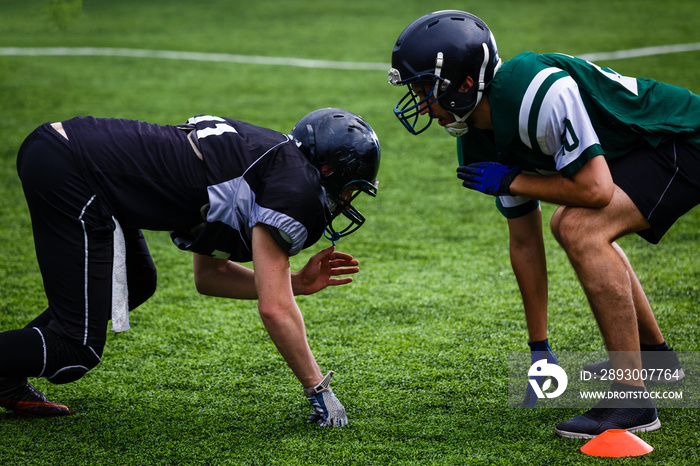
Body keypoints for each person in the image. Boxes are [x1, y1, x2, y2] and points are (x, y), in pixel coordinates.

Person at [388, 10, 694, 438]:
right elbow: (524, 241)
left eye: (425, 88)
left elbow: (596, 191)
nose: (420, 102)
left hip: (677, 136)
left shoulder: (535, 89)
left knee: (579, 227)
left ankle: (633, 398)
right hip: (637, 151)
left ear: (463, 84)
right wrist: (539, 347)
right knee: (570, 224)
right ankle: (658, 362)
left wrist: (513, 178)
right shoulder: (477, 133)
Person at [0, 107, 381, 427]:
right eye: (351, 189)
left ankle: (6, 375)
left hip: (72, 157)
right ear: (329, 170)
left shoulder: (266, 162)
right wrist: (318, 388)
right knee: (76, 348)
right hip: (74, 169)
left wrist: (294, 282)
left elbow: (210, 277)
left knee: (136, 281)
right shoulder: (294, 184)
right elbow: (274, 308)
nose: (347, 201)